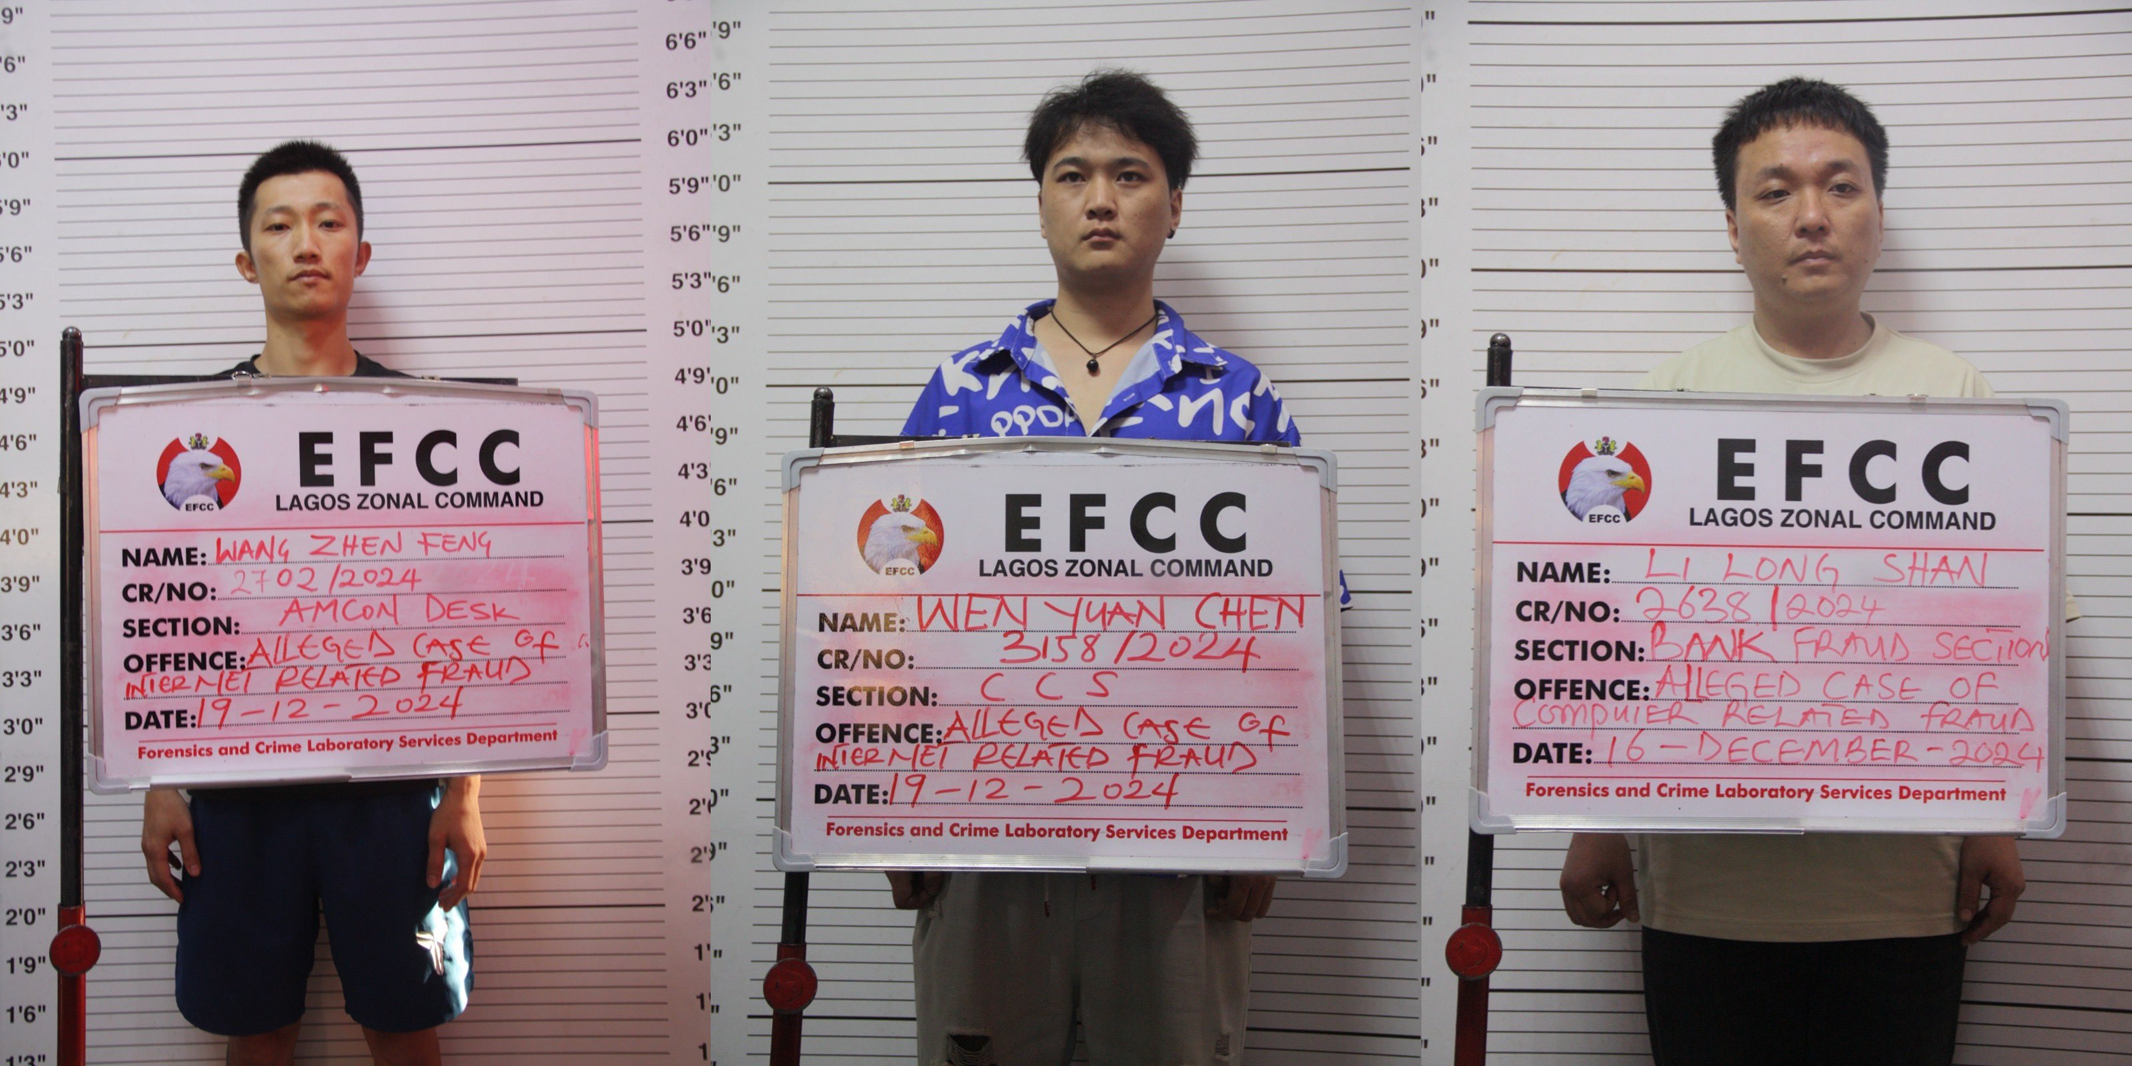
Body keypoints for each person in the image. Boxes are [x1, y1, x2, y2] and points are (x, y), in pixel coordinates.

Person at [1556, 79, 2028, 1066]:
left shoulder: (1956, 396)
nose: (1811, 215)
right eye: (1775, 192)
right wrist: (1595, 824)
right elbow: (1614, 643)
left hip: (1902, 893)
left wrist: (1999, 823)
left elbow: (1996, 645)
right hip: (1705, 895)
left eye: (1840, 186)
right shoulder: (1666, 403)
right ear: (1734, 229)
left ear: (1877, 214)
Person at [896, 70, 1334, 1066]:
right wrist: (895, 815)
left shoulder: (1239, 400)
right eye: (1073, 174)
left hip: (1186, 845)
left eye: (1130, 175)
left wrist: (1279, 823)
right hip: (983, 835)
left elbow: (1297, 628)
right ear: (1040, 202)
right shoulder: (962, 390)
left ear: (1173, 206)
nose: (1100, 198)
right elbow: (895, 610)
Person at [138, 140, 483, 1066]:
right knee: (254, 1028)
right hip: (235, 788)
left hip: (395, 786)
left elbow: (467, 612)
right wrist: (160, 781)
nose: (306, 244)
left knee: (405, 1025)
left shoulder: (425, 425)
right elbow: (157, 612)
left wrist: (465, 790)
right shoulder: (185, 434)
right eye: (280, 225)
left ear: (359, 253)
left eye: (328, 223)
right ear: (246, 259)